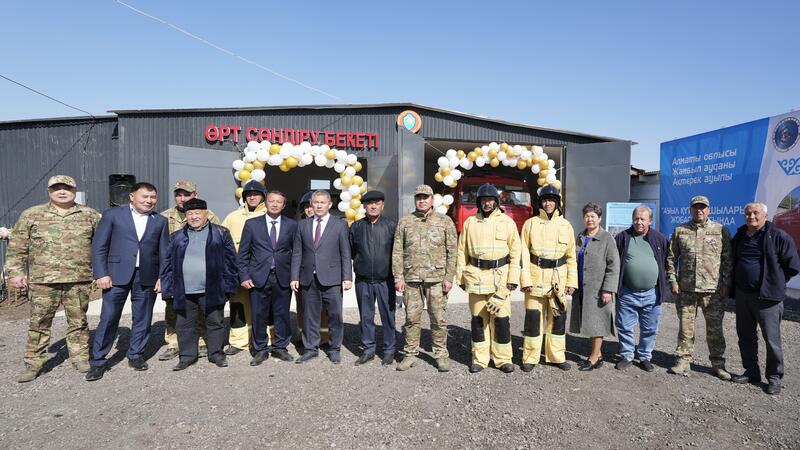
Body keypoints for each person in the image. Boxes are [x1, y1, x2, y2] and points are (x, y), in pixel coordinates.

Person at [5, 175, 101, 382]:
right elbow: (17, 247)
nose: (62, 191)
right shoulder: (32, 214)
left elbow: (101, 246)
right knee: (39, 322)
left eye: (66, 187)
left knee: (78, 321)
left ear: (74, 190)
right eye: (56, 188)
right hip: (43, 281)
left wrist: (101, 272)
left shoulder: (90, 215)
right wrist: (15, 272)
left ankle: (80, 356)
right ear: (49, 191)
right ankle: (34, 363)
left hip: (78, 279)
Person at [86, 182, 170, 381]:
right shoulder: (112, 215)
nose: (149, 201)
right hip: (115, 275)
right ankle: (98, 361)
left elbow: (164, 253)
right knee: (109, 318)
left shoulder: (160, 221)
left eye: (153, 198)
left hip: (147, 276)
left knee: (143, 317)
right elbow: (99, 247)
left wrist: (162, 277)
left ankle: (136, 355)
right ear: (132, 197)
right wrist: (101, 274)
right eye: (145, 197)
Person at [730, 202, 800, 395]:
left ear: (765, 215)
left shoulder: (778, 236)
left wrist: (776, 281)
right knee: (745, 336)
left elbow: (792, 265)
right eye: (748, 213)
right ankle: (751, 372)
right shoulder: (741, 235)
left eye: (755, 213)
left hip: (768, 298)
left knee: (772, 340)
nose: (751, 216)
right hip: (743, 295)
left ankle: (774, 378)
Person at [161, 199, 238, 370]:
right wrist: (168, 289)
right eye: (190, 214)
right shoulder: (176, 237)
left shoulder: (220, 233)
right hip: (184, 289)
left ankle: (216, 354)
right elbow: (167, 264)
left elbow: (231, 261)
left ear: (205, 214)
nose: (194, 217)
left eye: (198, 213)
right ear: (186, 216)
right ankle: (187, 356)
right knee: (185, 325)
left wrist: (230, 287)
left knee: (215, 323)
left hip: (213, 288)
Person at [666, 195, 733, 380]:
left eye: (703, 207)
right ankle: (683, 361)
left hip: (712, 291)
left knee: (715, 329)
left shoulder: (720, 230)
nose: (699, 210)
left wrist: (726, 282)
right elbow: (671, 258)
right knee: (685, 328)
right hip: (686, 290)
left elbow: (728, 259)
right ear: (691, 210)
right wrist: (673, 280)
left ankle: (719, 364)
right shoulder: (681, 231)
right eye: (696, 207)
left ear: (709, 210)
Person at [456, 183, 520, 373]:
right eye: (483, 200)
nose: (487, 203)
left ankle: (503, 359)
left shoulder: (507, 222)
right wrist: (461, 278)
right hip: (475, 278)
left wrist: (512, 279)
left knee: (501, 321)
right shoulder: (470, 222)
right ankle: (480, 359)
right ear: (479, 202)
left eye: (490, 200)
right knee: (478, 321)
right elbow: (462, 251)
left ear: (496, 202)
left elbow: (516, 253)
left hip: (500, 280)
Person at [392, 184, 457, 372]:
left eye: (425, 197)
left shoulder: (445, 222)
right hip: (411, 279)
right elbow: (397, 251)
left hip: (437, 279)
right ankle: (410, 354)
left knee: (438, 318)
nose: (421, 200)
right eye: (418, 197)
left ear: (432, 200)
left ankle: (441, 354)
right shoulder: (405, 222)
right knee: (411, 318)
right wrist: (398, 277)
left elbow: (452, 251)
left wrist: (449, 277)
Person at [158, 181, 220, 361]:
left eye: (186, 194)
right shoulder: (165, 217)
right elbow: (160, 249)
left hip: (201, 274)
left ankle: (201, 340)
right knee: (173, 308)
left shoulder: (209, 216)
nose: (182, 198)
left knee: (202, 308)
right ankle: (174, 343)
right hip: (175, 274)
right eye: (178, 194)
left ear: (195, 194)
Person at [290, 190, 352, 364]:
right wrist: (294, 276)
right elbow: (297, 253)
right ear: (311, 204)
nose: (318, 205)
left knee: (335, 316)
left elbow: (345, 253)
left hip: (332, 278)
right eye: (315, 202)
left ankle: (334, 348)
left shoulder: (339, 225)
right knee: (310, 316)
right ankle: (310, 348)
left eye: (322, 202)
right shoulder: (302, 225)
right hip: (308, 278)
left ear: (329, 204)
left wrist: (347, 277)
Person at [519, 185, 577, 371]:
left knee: (557, 321)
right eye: (545, 200)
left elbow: (571, 257)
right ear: (540, 203)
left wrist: (571, 282)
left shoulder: (566, 226)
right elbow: (523, 254)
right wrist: (525, 279)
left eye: (552, 200)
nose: (548, 203)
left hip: (557, 281)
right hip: (535, 280)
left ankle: (556, 356)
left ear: (557, 203)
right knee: (533, 320)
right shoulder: (531, 224)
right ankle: (530, 357)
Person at [239, 190, 298, 365]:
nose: (274, 204)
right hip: (258, 277)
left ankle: (280, 347)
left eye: (278, 202)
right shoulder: (252, 224)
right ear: (265, 203)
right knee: (258, 314)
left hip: (283, 276)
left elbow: (296, 253)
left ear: (284, 205)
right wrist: (244, 275)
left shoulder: (292, 225)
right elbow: (243, 254)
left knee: (282, 314)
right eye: (271, 201)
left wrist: (294, 276)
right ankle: (260, 349)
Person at [613, 205, 669, 372]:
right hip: (628, 292)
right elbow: (615, 263)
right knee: (624, 326)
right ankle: (627, 355)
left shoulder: (659, 238)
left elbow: (666, 261)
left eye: (643, 219)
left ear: (650, 221)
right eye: (636, 218)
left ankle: (645, 356)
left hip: (652, 293)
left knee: (650, 328)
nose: (639, 222)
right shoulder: (622, 238)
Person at [569, 203, 620, 371]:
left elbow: (614, 265)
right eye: (586, 216)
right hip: (583, 287)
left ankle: (594, 357)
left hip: (598, 289)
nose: (589, 219)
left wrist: (608, 289)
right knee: (590, 321)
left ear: (600, 218)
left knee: (598, 322)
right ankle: (597, 354)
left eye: (593, 216)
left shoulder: (607, 238)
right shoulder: (580, 237)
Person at [349, 190, 397, 366]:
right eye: (370, 203)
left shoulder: (391, 226)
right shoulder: (356, 227)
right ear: (364, 206)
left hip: (386, 280)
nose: (373, 206)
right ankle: (368, 349)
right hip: (363, 281)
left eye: (377, 202)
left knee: (388, 317)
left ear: (382, 205)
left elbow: (397, 253)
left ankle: (389, 350)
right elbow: (351, 252)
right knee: (366, 316)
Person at [221, 180, 267, 357]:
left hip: (261, 271)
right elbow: (222, 241)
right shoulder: (233, 217)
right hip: (238, 271)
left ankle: (266, 338)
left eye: (256, 194)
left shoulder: (269, 214)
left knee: (264, 307)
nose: (252, 197)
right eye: (249, 194)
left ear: (263, 196)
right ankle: (239, 341)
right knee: (238, 306)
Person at [293, 191, 330, 349]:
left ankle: (324, 337)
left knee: (323, 309)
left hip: (323, 274)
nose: (309, 209)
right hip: (302, 274)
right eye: (306, 207)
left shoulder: (329, 224)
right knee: (302, 307)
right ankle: (303, 335)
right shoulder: (298, 227)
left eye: (311, 206)